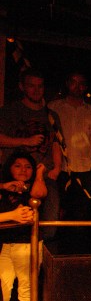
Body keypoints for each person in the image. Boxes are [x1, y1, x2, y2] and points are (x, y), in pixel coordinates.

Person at [0, 68, 62, 239]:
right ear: (22, 87)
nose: (36, 90)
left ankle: (41, 254)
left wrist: (57, 167)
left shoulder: (51, 115)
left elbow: (56, 142)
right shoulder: (10, 111)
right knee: (14, 225)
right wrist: (25, 141)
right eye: (31, 86)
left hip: (45, 175)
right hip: (15, 177)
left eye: (40, 86)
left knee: (49, 225)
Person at [0, 151, 47, 301]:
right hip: (5, 244)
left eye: (28, 166)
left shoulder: (34, 187)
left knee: (26, 291)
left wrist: (39, 174)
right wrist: (4, 186)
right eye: (17, 165)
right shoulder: (4, 188)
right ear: (9, 167)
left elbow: (39, 194)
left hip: (27, 243)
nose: (23, 170)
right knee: (3, 288)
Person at [48, 70, 91, 211]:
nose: (77, 86)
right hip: (58, 169)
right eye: (74, 82)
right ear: (67, 83)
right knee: (57, 209)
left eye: (81, 83)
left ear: (86, 87)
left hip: (84, 170)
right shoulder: (54, 107)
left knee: (82, 210)